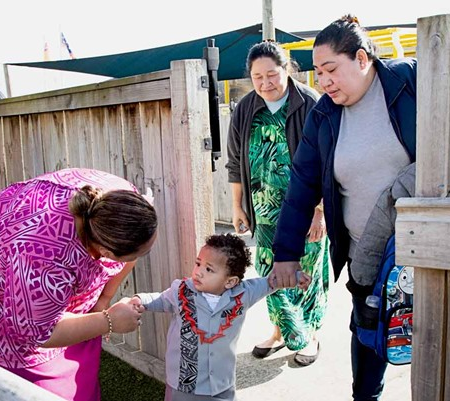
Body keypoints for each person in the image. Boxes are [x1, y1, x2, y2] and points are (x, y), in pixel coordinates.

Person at [270, 15, 416, 400]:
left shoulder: (408, 82)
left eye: (331, 69)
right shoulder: (324, 115)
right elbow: (302, 183)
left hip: (419, 251)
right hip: (361, 254)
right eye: (318, 73)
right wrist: (287, 254)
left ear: (363, 59)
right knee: (367, 336)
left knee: (430, 338)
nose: (324, 82)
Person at [0, 168, 158, 401]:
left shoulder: (122, 205)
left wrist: (102, 302)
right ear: (106, 251)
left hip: (35, 240)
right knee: (31, 370)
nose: (141, 257)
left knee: (85, 326)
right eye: (139, 253)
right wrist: (108, 321)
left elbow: (128, 258)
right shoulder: (43, 260)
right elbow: (38, 332)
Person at [226, 40, 330, 365]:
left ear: (286, 69)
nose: (265, 83)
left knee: (307, 268)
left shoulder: (311, 102)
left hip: (306, 209)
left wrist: (321, 211)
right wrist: (238, 206)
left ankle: (309, 334)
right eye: (258, 77)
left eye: (272, 74)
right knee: (269, 269)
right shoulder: (245, 109)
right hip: (264, 209)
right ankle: (279, 331)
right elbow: (234, 162)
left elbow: (329, 160)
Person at [132, 233, 309, 401]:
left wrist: (296, 276)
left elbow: (272, 282)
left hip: (221, 384)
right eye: (198, 263)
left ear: (230, 281)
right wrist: (140, 300)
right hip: (183, 384)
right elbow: (159, 299)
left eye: (209, 269)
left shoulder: (244, 294)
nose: (199, 272)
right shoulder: (181, 292)